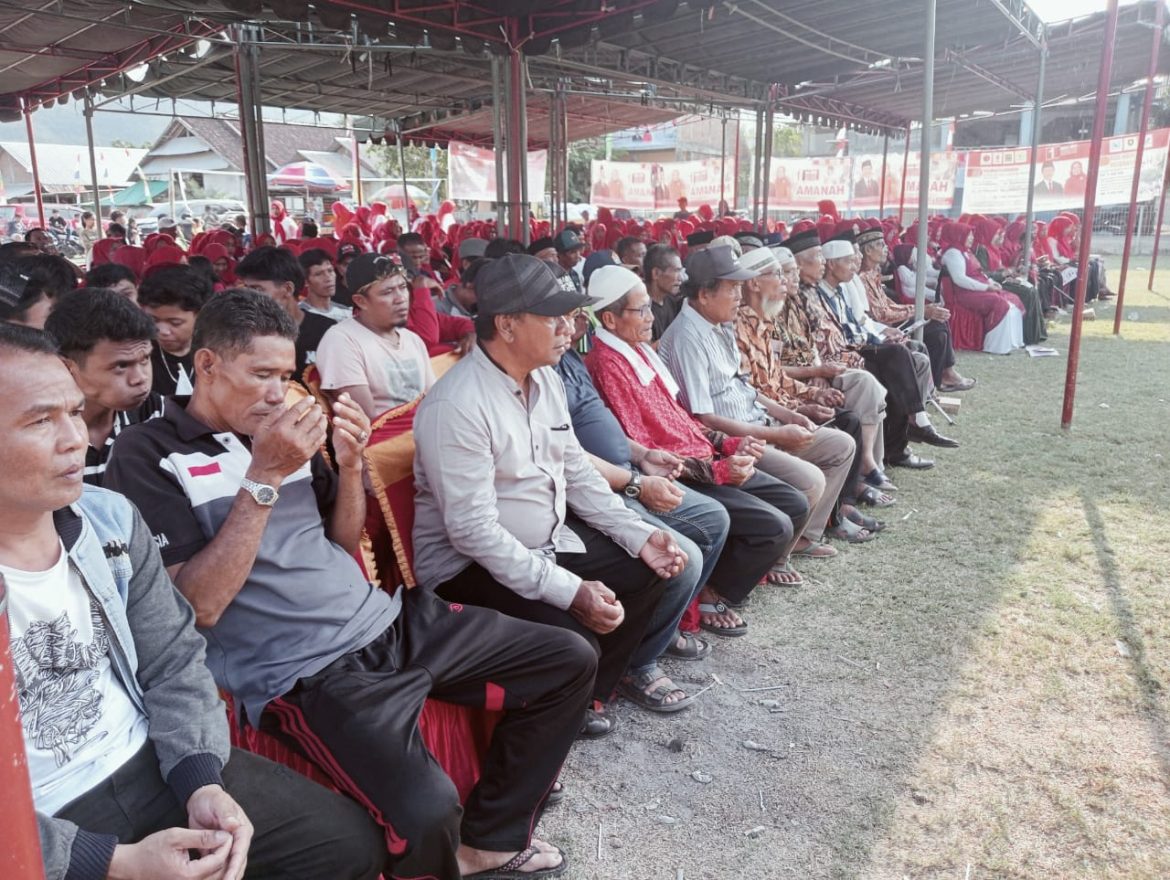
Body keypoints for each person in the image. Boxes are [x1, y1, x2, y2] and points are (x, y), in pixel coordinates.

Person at [104, 289, 593, 880]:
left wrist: (351, 463)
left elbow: (341, 542)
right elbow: (198, 606)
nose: (275, 393)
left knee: (567, 658)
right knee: (425, 808)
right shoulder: (149, 452)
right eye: (260, 374)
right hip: (304, 672)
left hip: (388, 619)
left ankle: (490, 839)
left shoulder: (285, 430)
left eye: (284, 376)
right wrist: (263, 475)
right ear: (207, 366)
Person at [0, 322, 386, 880]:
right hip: (38, 814)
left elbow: (172, 656)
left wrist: (200, 777)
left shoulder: (106, 519)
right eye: (40, 421)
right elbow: (202, 606)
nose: (76, 441)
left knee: (345, 844)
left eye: (74, 413)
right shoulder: (148, 458)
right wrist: (110, 862)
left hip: (148, 758)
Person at [413, 254, 687, 736]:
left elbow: (576, 471)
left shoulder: (544, 378)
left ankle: (589, 695)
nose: (569, 328)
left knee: (649, 565)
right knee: (573, 634)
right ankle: (560, 706)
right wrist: (570, 590)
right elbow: (473, 533)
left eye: (569, 316)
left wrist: (637, 533)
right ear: (508, 325)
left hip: (545, 538)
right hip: (468, 567)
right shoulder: (457, 405)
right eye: (554, 317)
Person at [585, 264, 811, 633]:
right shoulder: (607, 363)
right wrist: (716, 470)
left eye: (648, 308)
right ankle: (709, 594)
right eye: (640, 310)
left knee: (794, 503)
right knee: (773, 526)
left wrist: (730, 443)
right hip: (683, 472)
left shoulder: (639, 352)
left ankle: (720, 584)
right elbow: (646, 452)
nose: (650, 317)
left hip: (705, 456)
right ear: (609, 318)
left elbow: (684, 421)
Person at [656, 245, 857, 560]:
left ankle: (803, 539)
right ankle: (779, 556)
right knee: (811, 481)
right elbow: (705, 418)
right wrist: (778, 434)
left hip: (761, 424)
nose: (739, 296)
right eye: (732, 288)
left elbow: (745, 385)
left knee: (842, 446)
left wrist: (788, 415)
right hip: (735, 443)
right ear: (705, 295)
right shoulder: (687, 337)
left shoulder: (718, 324)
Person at [731, 248, 878, 542]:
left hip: (780, 411)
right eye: (778, 274)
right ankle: (824, 524)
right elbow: (752, 392)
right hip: (761, 423)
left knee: (844, 419)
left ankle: (836, 513)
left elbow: (776, 379)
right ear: (754, 283)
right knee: (843, 426)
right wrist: (800, 407)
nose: (786, 281)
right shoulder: (737, 327)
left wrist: (812, 396)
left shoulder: (763, 321)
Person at [783, 230, 946, 473]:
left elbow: (852, 324)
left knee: (910, 357)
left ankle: (901, 440)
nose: (854, 264)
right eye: (848, 260)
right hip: (835, 359)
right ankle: (901, 436)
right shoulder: (807, 295)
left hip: (845, 351)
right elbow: (832, 337)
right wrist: (878, 337)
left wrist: (880, 336)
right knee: (896, 359)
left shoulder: (835, 290)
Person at [45, 288, 165, 485]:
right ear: (68, 367)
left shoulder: (158, 415)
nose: (139, 378)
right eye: (121, 366)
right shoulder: (40, 435)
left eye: (145, 360)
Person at [316, 254, 436, 419]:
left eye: (402, 287)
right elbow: (365, 421)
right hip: (383, 442)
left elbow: (434, 401)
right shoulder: (341, 340)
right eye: (387, 292)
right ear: (361, 301)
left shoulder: (412, 340)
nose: (401, 298)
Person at [855, 228, 975, 391]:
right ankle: (938, 379)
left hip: (890, 320)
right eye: (881, 245)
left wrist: (920, 309)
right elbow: (882, 314)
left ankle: (945, 373)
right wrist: (921, 311)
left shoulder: (873, 271)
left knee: (938, 320)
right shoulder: (860, 277)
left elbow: (887, 303)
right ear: (868, 250)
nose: (886, 249)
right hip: (883, 329)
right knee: (936, 329)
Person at [236, 245, 336, 381]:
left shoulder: (327, 332)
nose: (250, 297)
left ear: (288, 289)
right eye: (247, 289)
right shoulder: (246, 335)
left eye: (258, 290)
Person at [939, 221, 1025, 355]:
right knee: (1000, 304)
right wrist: (986, 287)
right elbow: (960, 279)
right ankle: (995, 346)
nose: (972, 238)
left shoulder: (965, 252)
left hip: (976, 289)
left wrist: (991, 283)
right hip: (965, 293)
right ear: (959, 235)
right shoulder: (953, 253)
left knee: (1013, 300)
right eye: (969, 235)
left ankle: (1012, 342)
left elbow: (979, 273)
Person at [137, 265, 213, 398]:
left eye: (175, 323)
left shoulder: (215, 351)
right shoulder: (138, 355)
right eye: (153, 320)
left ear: (200, 315)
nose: (162, 331)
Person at [643, 244, 684, 341]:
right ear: (656, 273)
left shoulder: (671, 301)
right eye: (676, 271)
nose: (680, 278)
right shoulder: (641, 310)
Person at [297, 247, 351, 320]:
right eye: (319, 274)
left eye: (330, 270)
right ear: (306, 281)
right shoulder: (297, 315)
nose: (328, 278)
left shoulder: (346, 313)